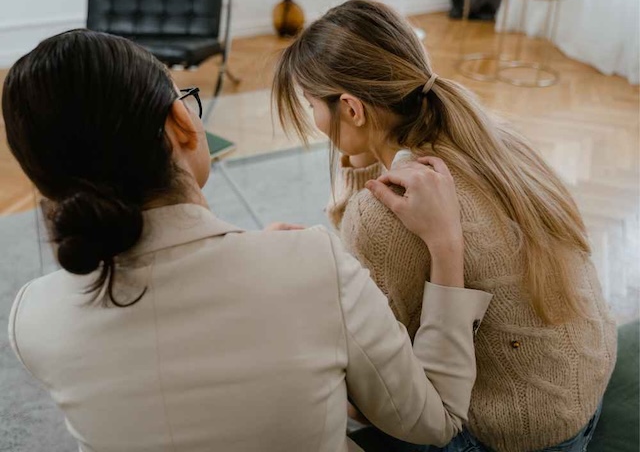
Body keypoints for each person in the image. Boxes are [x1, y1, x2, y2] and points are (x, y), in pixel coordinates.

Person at [4, 29, 492, 452]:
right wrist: (446, 246)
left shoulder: (32, 317)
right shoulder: (312, 264)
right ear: (180, 124)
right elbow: (436, 420)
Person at [273, 0, 617, 452]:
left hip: (515, 433)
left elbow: (390, 383)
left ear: (352, 109)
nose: (315, 120)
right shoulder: (490, 137)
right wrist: (364, 161)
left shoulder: (381, 216)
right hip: (581, 388)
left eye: (312, 104)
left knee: (317, 375)